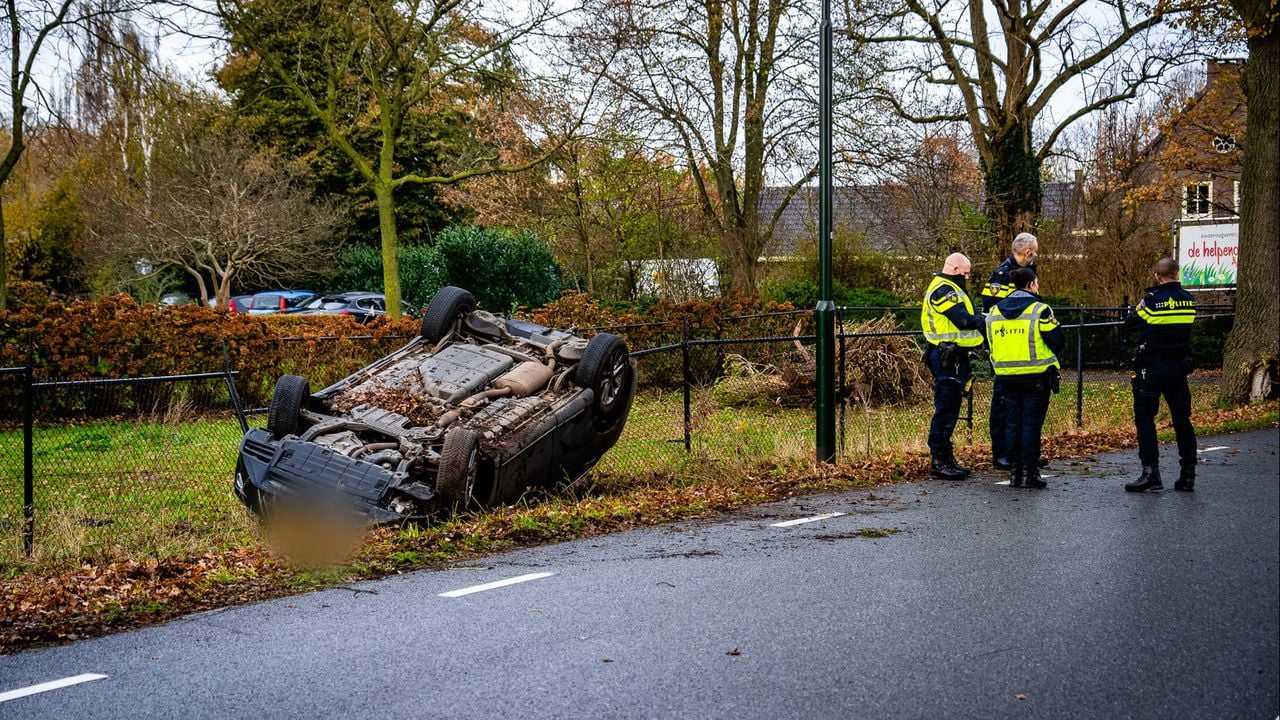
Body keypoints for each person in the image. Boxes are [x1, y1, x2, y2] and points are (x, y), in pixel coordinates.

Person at [1123, 257, 1198, 493]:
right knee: (1182, 420)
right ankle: (1188, 474)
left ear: (1157, 276)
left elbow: (1131, 323)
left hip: (1153, 367)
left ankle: (1151, 473)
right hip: (1178, 368)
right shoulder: (1189, 301)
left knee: (1145, 419)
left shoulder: (1151, 301)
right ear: (1177, 274)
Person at [986, 268, 1065, 489]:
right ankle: (1030, 473)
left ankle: (1015, 473)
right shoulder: (1040, 309)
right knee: (1031, 425)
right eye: (1036, 283)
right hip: (1035, 377)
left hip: (1006, 377)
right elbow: (1057, 340)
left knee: (1012, 423)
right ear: (1031, 285)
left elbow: (990, 342)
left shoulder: (994, 311)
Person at [920, 252, 985, 479]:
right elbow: (962, 319)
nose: (967, 277)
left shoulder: (953, 288)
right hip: (945, 356)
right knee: (945, 407)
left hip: (955, 356)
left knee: (952, 408)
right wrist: (986, 321)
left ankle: (946, 457)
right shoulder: (943, 290)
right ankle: (939, 460)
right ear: (955, 269)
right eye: (965, 273)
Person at [982, 232, 1039, 471]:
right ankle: (1002, 453)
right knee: (1003, 404)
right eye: (1035, 252)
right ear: (1027, 252)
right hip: (1006, 347)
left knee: (1023, 407)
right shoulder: (1002, 275)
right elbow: (991, 311)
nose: (1036, 256)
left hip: (1022, 348)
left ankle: (1022, 452)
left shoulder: (1026, 273)